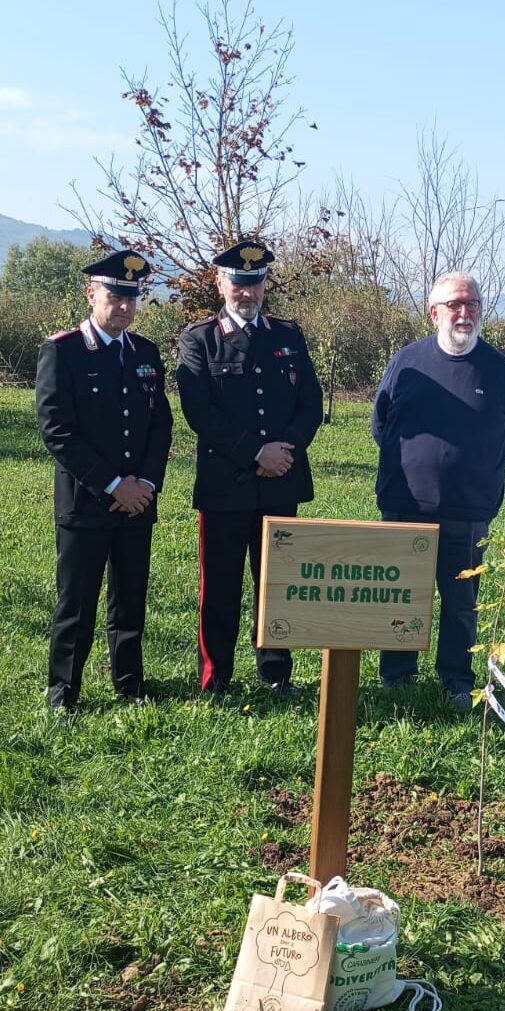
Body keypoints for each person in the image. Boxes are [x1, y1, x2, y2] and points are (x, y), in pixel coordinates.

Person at [176, 240, 323, 696]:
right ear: (220, 282)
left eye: (255, 284)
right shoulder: (198, 338)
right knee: (219, 587)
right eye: (238, 284)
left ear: (265, 285)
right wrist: (255, 453)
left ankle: (277, 675)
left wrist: (286, 450)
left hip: (282, 483)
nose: (248, 293)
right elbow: (199, 411)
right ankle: (215, 678)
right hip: (226, 486)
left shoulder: (288, 335)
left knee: (277, 585)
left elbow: (310, 404)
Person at [371, 271, 505, 707]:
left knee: (461, 602)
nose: (464, 312)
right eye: (454, 305)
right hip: (405, 505)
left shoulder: (498, 369)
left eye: (471, 304)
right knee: (401, 592)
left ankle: (456, 679)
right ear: (433, 311)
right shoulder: (407, 361)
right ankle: (397, 676)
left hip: (468, 509)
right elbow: (381, 426)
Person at [36, 249, 173, 718]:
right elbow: (58, 431)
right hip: (87, 502)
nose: (125, 308)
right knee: (76, 602)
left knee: (130, 598)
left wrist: (146, 484)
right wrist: (115, 485)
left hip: (138, 502)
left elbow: (160, 428)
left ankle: (129, 683)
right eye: (115, 297)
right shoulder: (64, 351)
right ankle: (63, 693)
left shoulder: (145, 353)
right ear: (91, 293)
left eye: (132, 299)